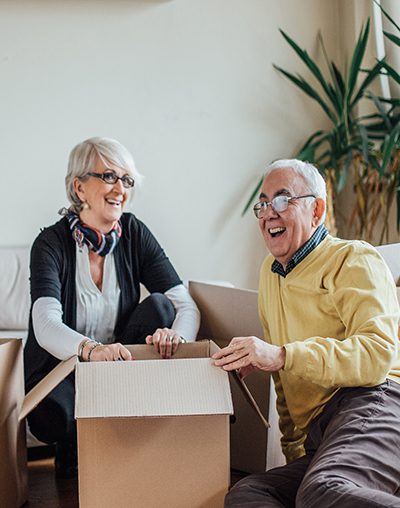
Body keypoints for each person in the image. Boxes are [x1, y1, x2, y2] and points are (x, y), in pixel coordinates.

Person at [213, 159, 400, 507]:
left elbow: (377, 356)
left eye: (282, 200)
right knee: (249, 494)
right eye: (263, 204)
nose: (269, 213)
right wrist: (294, 453)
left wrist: (282, 354)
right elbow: (285, 386)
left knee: (322, 492)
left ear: (317, 210)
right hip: (323, 434)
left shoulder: (354, 259)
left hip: (379, 403)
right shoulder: (270, 272)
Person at [24, 137, 200, 478]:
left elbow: (185, 306)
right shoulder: (50, 243)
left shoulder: (134, 233)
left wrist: (174, 337)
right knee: (53, 418)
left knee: (162, 307)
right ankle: (73, 449)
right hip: (64, 368)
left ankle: (124, 442)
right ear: (79, 187)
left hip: (119, 366)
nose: (120, 188)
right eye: (108, 176)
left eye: (127, 179)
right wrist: (90, 351)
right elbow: (44, 323)